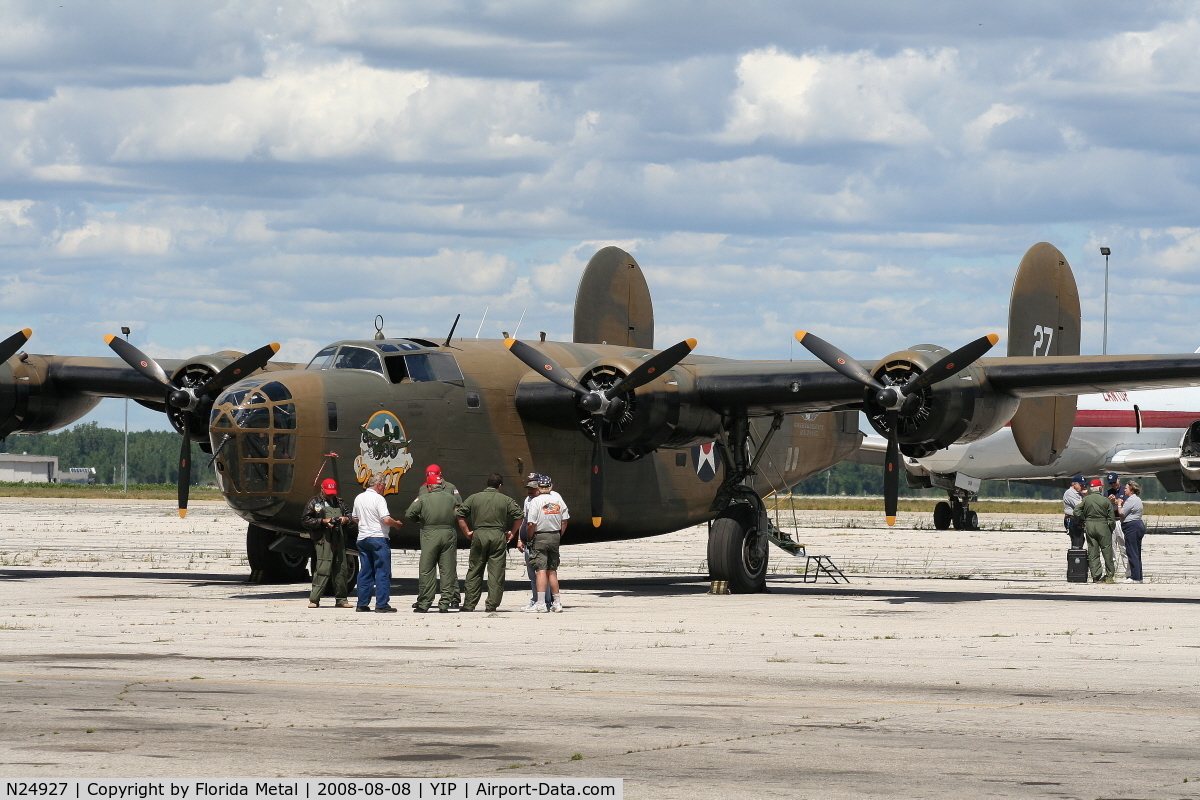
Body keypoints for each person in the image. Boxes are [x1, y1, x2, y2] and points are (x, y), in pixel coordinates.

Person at [457, 473, 523, 612]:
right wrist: (512, 532)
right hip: (498, 536)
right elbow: (519, 516)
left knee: (475, 570)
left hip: (479, 535)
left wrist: (467, 532)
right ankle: (491, 605)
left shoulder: (474, 498)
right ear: (500, 486)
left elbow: (460, 514)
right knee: (496, 572)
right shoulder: (506, 500)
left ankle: (469, 604)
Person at [405, 465, 462, 613]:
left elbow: (409, 514)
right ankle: (445, 604)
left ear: (430, 486)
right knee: (448, 570)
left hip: (430, 533)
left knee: (427, 569)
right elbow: (460, 510)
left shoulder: (423, 497)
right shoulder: (450, 497)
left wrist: (420, 520)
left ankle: (424, 603)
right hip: (448, 533)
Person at [301, 478, 356, 609]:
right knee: (322, 568)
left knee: (341, 569)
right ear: (322, 489)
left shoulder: (340, 502)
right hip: (323, 539)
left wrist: (345, 519)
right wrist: (323, 522)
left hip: (340, 539)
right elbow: (305, 520)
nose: (331, 494)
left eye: (333, 492)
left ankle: (341, 599)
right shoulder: (315, 502)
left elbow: (351, 517)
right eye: (328, 491)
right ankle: (314, 599)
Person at [352, 475, 404, 612]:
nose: (384, 488)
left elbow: (355, 518)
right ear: (379, 485)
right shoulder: (378, 498)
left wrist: (366, 523)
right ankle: (381, 604)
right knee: (382, 571)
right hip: (378, 537)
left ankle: (362, 604)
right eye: (384, 485)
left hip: (363, 537)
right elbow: (386, 519)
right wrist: (396, 524)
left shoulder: (359, 497)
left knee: (365, 571)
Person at [523, 473, 569, 613]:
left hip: (540, 536)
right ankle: (557, 603)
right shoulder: (558, 499)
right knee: (552, 572)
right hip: (554, 536)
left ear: (539, 487)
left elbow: (531, 523)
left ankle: (541, 604)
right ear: (550, 486)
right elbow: (565, 520)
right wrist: (559, 534)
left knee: (540, 571)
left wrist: (529, 538)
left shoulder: (536, 501)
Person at [1074, 477, 1117, 583]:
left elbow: (1076, 511)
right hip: (1103, 526)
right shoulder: (1106, 501)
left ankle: (1096, 575)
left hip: (1089, 525)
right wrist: (1111, 529)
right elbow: (1111, 518)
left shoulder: (1085, 499)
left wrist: (1080, 521)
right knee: (1107, 551)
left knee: (1093, 551)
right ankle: (1109, 574)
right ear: (1099, 489)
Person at [516, 475, 543, 612]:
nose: (530, 491)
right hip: (528, 542)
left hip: (538, 541)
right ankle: (535, 599)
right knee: (532, 575)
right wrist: (520, 538)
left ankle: (545, 600)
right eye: (528, 488)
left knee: (542, 572)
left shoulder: (545, 501)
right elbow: (524, 520)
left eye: (533, 488)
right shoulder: (528, 500)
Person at [1120, 480, 1146, 583]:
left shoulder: (1131, 500)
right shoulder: (1137, 499)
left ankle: (1135, 577)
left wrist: (1118, 504)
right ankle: (1139, 576)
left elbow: (1122, 513)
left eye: (1126, 488)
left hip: (1132, 526)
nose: (1124, 490)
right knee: (1137, 551)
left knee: (1132, 551)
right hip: (1138, 524)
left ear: (1131, 490)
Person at [1106, 473, 1130, 579]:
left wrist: (1115, 501)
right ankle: (1112, 572)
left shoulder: (1125, 490)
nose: (1113, 484)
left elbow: (1126, 503)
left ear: (1118, 480)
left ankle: (1128, 572)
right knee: (1111, 548)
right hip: (1111, 520)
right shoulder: (1107, 492)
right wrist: (1109, 502)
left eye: (1114, 482)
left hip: (1121, 520)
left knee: (1124, 547)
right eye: (1110, 483)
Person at [1062, 476, 1085, 549]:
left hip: (1078, 519)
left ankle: (1077, 555)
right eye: (1081, 485)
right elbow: (1079, 505)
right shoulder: (1069, 493)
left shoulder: (1079, 493)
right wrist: (1087, 499)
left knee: (1081, 539)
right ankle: (1075, 557)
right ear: (1075, 484)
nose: (1083, 486)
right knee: (1076, 540)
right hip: (1071, 519)